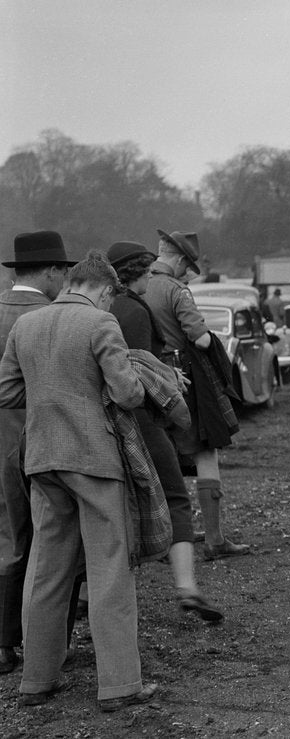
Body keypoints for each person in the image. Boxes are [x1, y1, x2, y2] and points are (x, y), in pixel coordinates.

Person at [0, 251, 158, 710]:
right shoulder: (100, 325)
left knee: (47, 571)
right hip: (94, 460)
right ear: (104, 290)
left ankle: (36, 680)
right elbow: (127, 393)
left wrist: (49, 394)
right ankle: (120, 685)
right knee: (111, 570)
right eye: (110, 299)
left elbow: (7, 392)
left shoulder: (26, 326)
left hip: (43, 460)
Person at [106, 241, 222, 622]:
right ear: (135, 275)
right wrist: (169, 377)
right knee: (175, 496)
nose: (149, 281)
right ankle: (187, 587)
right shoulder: (133, 310)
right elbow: (135, 369)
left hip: (109, 422)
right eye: (145, 275)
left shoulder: (104, 307)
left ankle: (92, 595)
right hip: (141, 420)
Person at [145, 229, 250, 561]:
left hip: (148, 378)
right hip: (184, 381)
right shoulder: (177, 291)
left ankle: (166, 541)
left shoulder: (138, 286)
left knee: (161, 459)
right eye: (187, 264)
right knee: (206, 453)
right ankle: (215, 539)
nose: (188, 272)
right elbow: (201, 340)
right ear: (176, 259)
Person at [0, 231, 78, 676]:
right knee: (55, 540)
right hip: (44, 437)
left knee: (7, 538)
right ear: (50, 271)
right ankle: (49, 647)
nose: (64, 281)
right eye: (63, 272)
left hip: (0, 439)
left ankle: (3, 644)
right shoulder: (51, 316)